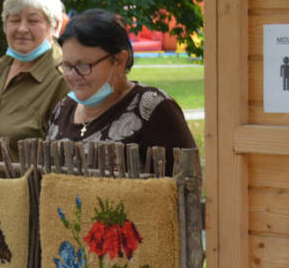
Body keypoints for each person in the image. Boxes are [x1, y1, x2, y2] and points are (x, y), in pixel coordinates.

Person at [45, 9, 195, 171]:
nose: (73, 75)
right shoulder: (64, 108)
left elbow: (186, 182)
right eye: (67, 66)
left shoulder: (152, 108)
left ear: (119, 61)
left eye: (83, 66)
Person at [0, 0, 70, 160]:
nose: (22, 29)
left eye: (33, 20)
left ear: (55, 26)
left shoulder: (63, 80)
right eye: (15, 20)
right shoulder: (1, 68)